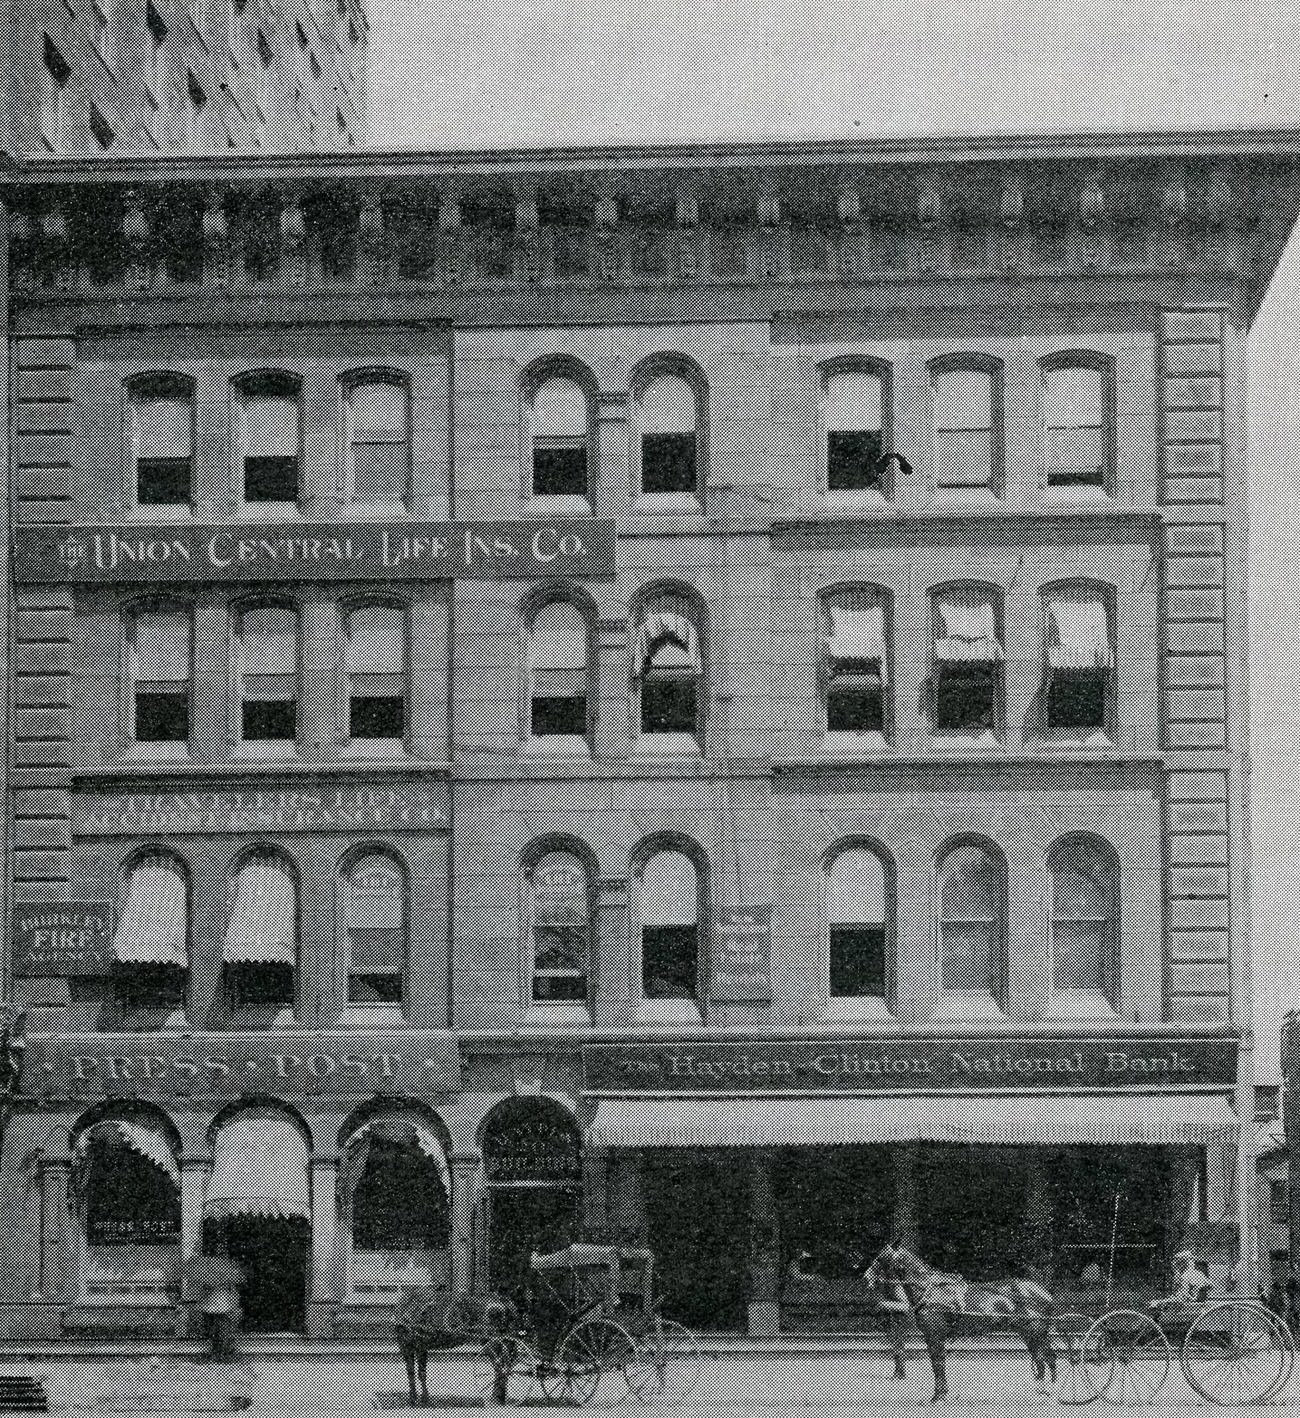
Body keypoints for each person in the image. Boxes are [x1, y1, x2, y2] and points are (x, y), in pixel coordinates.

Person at [201, 1282, 240, 1361]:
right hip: (214, 1305)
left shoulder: (227, 1283)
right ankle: (218, 1352)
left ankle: (221, 1352)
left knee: (221, 1330)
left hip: (222, 1306)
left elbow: (233, 1291)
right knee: (216, 1330)